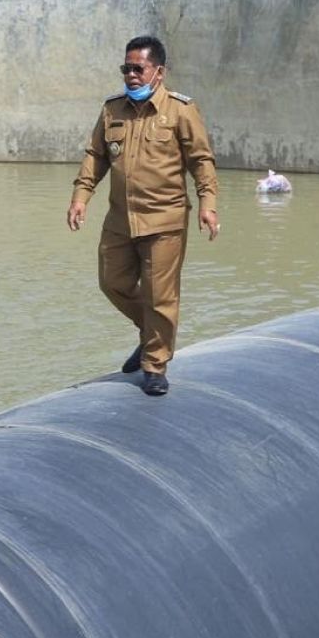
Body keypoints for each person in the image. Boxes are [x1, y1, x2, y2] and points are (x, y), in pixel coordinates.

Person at [67, 36, 219, 396]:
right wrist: (80, 196)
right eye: (126, 68)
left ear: (159, 72)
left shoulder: (181, 111)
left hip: (164, 220)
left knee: (160, 295)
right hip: (120, 219)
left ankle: (155, 364)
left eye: (139, 69)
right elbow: (96, 155)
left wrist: (208, 204)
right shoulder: (112, 110)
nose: (131, 75)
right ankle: (153, 331)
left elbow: (201, 160)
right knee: (112, 282)